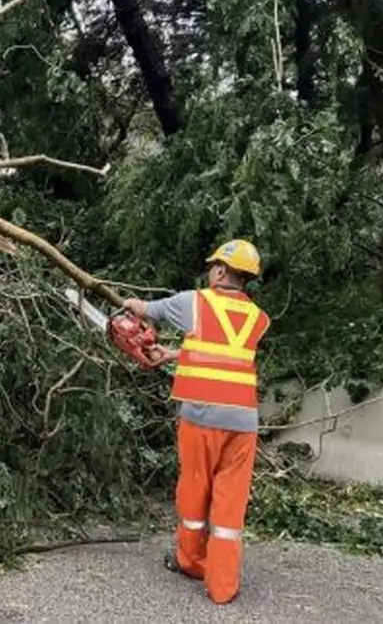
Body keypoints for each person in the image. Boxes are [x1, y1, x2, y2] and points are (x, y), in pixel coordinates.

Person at [122, 239, 270, 605]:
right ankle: (222, 587)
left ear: (220, 270)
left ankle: (191, 560)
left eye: (212, 267)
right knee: (230, 503)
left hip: (201, 417)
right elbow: (220, 351)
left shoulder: (195, 301)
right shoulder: (258, 318)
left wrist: (127, 304)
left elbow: (147, 309)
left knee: (194, 488)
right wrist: (172, 352)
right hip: (243, 422)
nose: (209, 272)